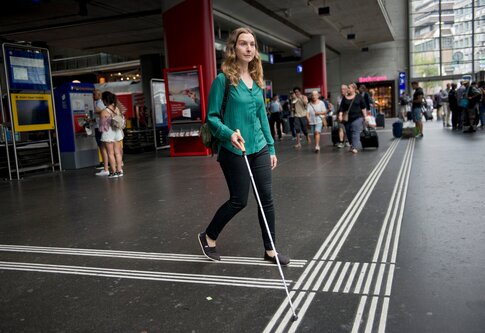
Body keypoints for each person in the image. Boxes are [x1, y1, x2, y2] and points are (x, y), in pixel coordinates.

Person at [198, 27, 289, 265]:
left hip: (258, 146)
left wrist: (271, 147)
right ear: (234, 48)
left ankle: (270, 250)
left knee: (266, 198)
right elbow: (212, 117)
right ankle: (208, 236)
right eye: (243, 44)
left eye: (252, 44)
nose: (249, 48)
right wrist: (229, 134)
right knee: (240, 200)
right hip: (233, 149)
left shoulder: (258, 82)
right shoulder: (223, 80)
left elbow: (262, 118)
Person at [99, 91, 124, 178]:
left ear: (105, 100)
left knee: (110, 153)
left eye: (102, 99)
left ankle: (113, 172)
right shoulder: (116, 109)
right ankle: (119, 170)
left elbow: (102, 126)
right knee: (117, 152)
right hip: (117, 132)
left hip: (108, 133)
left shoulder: (104, 111)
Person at [338, 83, 367, 153]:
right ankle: (352, 144)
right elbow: (341, 108)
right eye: (348, 87)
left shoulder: (359, 97)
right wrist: (340, 115)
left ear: (354, 89)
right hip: (347, 119)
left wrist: (365, 116)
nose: (348, 89)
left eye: (349, 87)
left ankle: (354, 147)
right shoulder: (345, 98)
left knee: (355, 132)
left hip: (357, 117)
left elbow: (363, 107)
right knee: (348, 133)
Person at [93, 89, 110, 176]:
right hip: (100, 127)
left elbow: (100, 112)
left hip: (101, 128)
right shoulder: (98, 103)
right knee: (105, 148)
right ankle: (107, 167)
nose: (93, 96)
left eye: (95, 94)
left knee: (103, 148)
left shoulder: (100, 103)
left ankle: (106, 168)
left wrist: (97, 111)